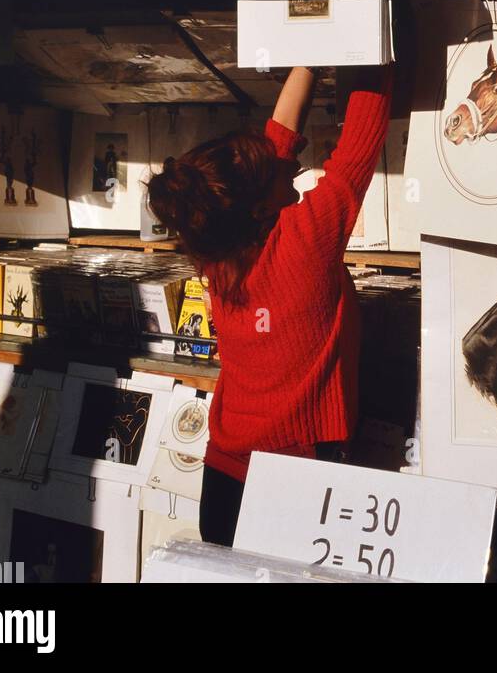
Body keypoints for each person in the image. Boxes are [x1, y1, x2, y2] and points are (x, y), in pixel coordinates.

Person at [146, 63, 393, 545]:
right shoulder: (305, 239)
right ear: (257, 206)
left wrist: (310, 58)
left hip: (224, 476)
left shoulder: (217, 251)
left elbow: (277, 139)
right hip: (293, 481)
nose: (293, 166)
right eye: (280, 171)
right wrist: (370, 37)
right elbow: (363, 135)